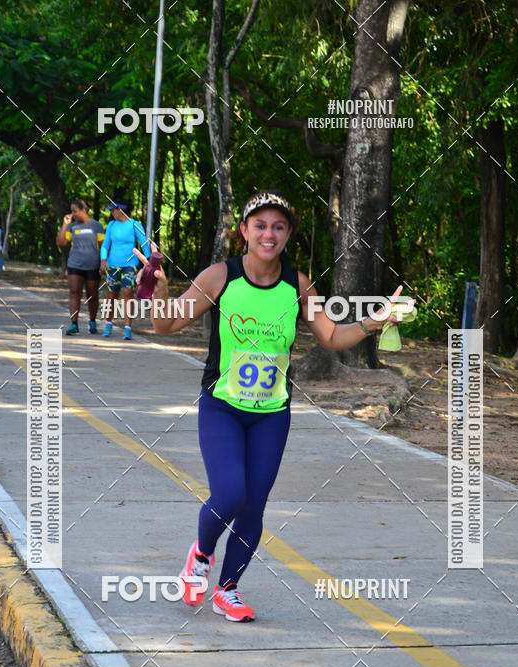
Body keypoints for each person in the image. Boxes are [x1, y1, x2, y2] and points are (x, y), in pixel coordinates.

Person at [134, 190, 402, 623]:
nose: (269, 233)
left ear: (289, 233)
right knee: (229, 494)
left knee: (254, 505)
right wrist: (160, 289)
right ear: (243, 231)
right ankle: (200, 556)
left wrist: (373, 321)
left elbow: (331, 337)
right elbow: (166, 323)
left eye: (278, 226)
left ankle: (228, 589)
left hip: (271, 414)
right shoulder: (220, 276)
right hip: (222, 406)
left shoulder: (298, 285)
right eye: (260, 225)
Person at [99, 200, 150, 340]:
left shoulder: (134, 225)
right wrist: (103, 259)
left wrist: (149, 261)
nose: (111, 212)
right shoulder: (111, 225)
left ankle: (127, 327)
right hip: (113, 264)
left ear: (120, 209)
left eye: (112, 210)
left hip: (130, 264)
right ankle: (108, 323)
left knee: (127, 293)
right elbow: (105, 245)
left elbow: (144, 244)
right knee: (111, 295)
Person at [56, 200, 105, 335]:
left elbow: (103, 246)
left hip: (92, 265)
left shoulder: (96, 226)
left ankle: (92, 322)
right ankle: (74, 324)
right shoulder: (72, 226)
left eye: (74, 211)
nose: (72, 214)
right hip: (75, 265)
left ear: (83, 210)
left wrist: (103, 262)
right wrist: (65, 224)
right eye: (71, 211)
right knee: (74, 292)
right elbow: (61, 243)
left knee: (92, 295)